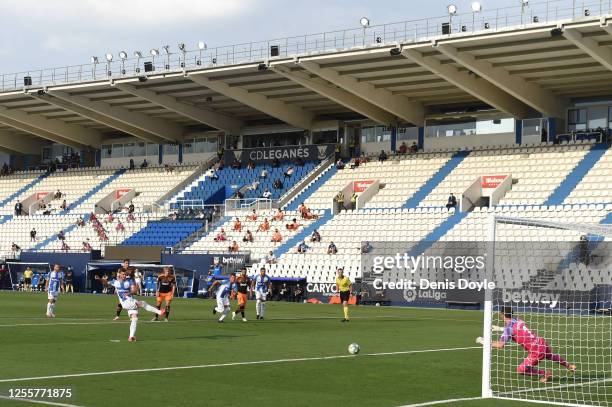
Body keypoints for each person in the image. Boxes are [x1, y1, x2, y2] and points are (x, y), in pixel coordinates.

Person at [489, 307, 576, 383]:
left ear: (502, 315)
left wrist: (486, 342)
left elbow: (501, 345)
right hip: (541, 342)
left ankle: (545, 374)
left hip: (536, 351)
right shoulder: (518, 320)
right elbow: (514, 329)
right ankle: (569, 366)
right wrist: (499, 328)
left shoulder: (508, 329)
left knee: (520, 370)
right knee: (550, 356)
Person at [110, 268, 164, 341]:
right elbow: (106, 283)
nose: (125, 275)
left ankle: (131, 336)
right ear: (119, 274)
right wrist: (102, 279)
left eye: (126, 274)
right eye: (123, 274)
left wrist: (131, 292)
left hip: (129, 301)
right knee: (143, 303)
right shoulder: (115, 282)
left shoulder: (130, 281)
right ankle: (159, 312)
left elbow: (134, 290)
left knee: (134, 318)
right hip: (126, 302)